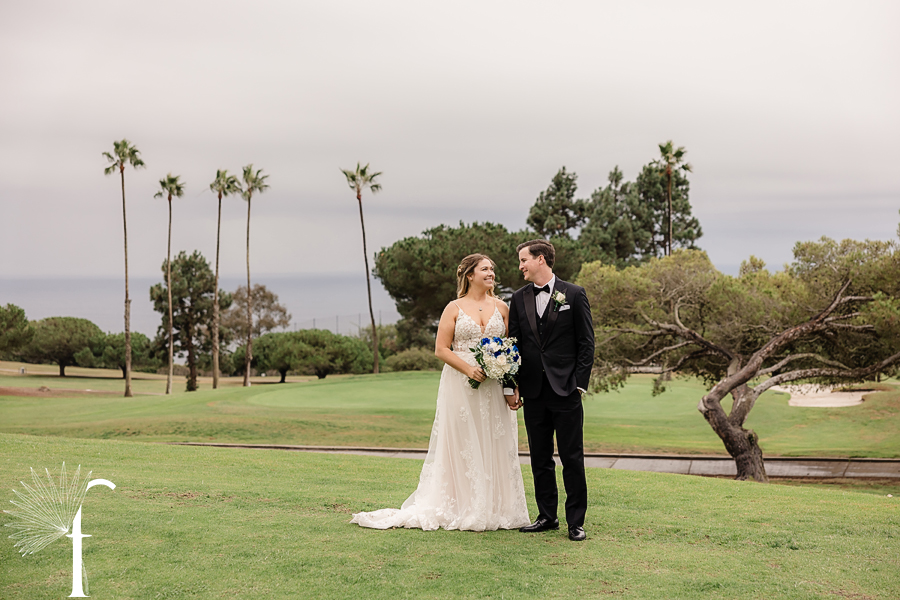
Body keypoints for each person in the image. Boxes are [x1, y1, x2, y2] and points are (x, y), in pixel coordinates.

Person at [350, 254, 530, 531]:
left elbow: (510, 351)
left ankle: (497, 508)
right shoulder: (453, 308)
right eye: (485, 269)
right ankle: (464, 505)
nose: (491, 273)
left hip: (494, 385)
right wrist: (469, 370)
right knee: (464, 444)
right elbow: (441, 349)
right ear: (470, 275)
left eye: (492, 269)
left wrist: (511, 387)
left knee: (494, 440)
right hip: (461, 384)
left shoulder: (502, 307)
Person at [504, 240, 594, 542]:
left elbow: (586, 344)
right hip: (533, 391)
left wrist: (579, 384)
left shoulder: (574, 294)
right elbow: (512, 347)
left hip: (566, 390)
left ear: (541, 259)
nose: (520, 267)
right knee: (540, 458)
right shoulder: (518, 298)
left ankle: (575, 522)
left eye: (523, 260)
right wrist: (510, 385)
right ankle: (547, 516)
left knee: (572, 457)